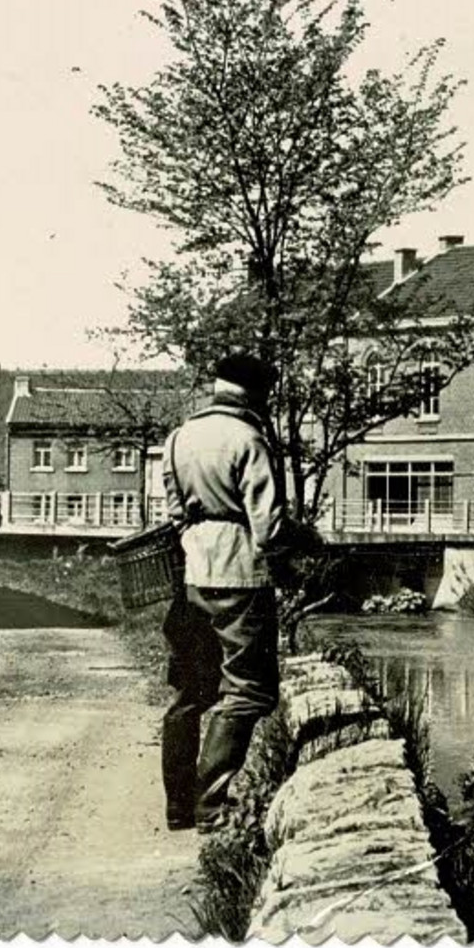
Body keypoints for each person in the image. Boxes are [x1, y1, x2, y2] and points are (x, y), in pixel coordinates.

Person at [158, 352, 289, 831]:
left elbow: (175, 514)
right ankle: (210, 802)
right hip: (240, 573)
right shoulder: (249, 438)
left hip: (193, 572)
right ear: (255, 395)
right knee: (251, 690)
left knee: (191, 689)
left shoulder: (179, 438)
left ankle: (178, 806)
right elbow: (269, 526)